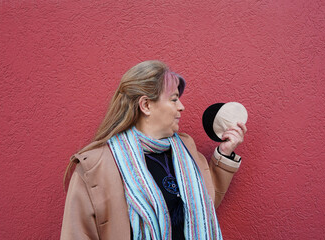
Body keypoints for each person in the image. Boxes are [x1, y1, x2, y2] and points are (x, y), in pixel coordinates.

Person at [61, 60, 247, 240]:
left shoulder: (185, 150)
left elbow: (203, 206)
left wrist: (224, 153)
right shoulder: (95, 166)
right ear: (146, 105)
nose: (181, 107)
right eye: (174, 99)